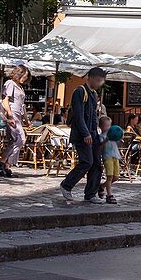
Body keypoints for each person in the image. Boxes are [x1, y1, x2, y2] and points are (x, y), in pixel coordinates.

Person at [60, 68, 107, 203]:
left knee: (97, 163)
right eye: (98, 80)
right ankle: (66, 185)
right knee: (87, 161)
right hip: (82, 134)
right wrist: (86, 133)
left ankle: (91, 194)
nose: (99, 84)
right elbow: (79, 115)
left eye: (101, 81)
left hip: (93, 133)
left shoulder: (93, 94)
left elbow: (93, 117)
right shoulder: (80, 92)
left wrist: (96, 133)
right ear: (90, 78)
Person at [0, 66, 29, 178]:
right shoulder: (10, 83)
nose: (25, 79)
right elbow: (5, 100)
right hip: (12, 114)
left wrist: (26, 119)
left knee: (14, 140)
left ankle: (6, 166)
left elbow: (22, 105)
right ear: (18, 74)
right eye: (24, 76)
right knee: (21, 139)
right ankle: (2, 160)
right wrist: (10, 116)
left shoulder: (20, 87)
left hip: (18, 115)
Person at [100, 118, 121, 204]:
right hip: (107, 157)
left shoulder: (112, 135)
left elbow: (118, 144)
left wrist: (119, 137)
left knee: (116, 177)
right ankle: (109, 195)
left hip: (115, 156)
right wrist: (107, 139)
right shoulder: (101, 136)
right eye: (106, 126)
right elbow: (100, 145)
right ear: (101, 127)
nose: (108, 128)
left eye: (109, 125)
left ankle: (101, 186)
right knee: (110, 176)